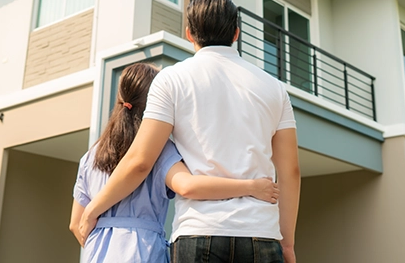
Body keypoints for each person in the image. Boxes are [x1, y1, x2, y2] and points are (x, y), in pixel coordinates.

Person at [78, 0, 301, 263]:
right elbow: (290, 171)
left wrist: (92, 211)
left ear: (188, 34)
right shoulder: (275, 88)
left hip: (198, 234)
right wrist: (286, 244)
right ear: (236, 33)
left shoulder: (171, 80)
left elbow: (139, 162)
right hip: (261, 233)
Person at [69, 62, 281, 263]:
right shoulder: (158, 150)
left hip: (96, 253)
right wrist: (252, 187)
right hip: (142, 251)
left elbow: (75, 224)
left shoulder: (91, 156)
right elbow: (187, 186)